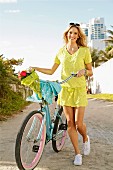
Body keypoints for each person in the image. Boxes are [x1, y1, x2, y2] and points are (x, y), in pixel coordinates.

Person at [31, 22, 93, 166]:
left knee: (79, 124)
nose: (72, 35)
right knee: (70, 123)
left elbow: (90, 70)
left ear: (78, 36)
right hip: (65, 89)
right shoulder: (61, 51)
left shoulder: (84, 50)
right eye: (70, 33)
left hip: (79, 90)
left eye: (75, 33)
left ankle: (85, 138)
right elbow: (52, 71)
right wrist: (36, 68)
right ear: (67, 34)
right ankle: (77, 153)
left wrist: (84, 71)